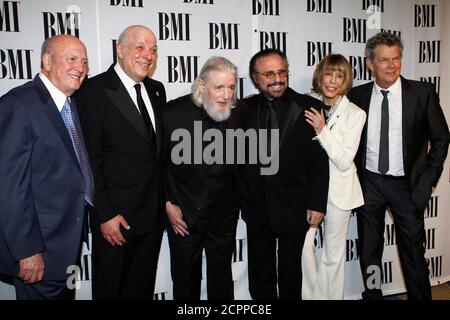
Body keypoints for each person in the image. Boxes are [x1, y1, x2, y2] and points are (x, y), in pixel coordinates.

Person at [348, 32, 450, 300]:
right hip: (369, 183)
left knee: (414, 253)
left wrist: (429, 178)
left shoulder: (422, 93)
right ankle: (373, 297)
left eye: (396, 58)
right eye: (384, 60)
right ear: (370, 63)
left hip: (407, 186)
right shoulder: (356, 95)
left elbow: (441, 137)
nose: (392, 65)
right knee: (369, 251)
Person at [77, 25, 166, 299]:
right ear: (120, 49)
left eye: (152, 49)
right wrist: (103, 214)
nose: (147, 55)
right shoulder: (93, 91)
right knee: (111, 291)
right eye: (139, 47)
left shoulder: (156, 90)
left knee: (141, 290)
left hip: (152, 218)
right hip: (116, 220)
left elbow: (158, 152)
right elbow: (89, 159)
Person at [0, 35, 92, 299]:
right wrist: (26, 251)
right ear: (47, 61)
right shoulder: (19, 104)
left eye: (85, 61)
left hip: (64, 247)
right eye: (72, 59)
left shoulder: (67, 104)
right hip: (37, 252)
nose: (81, 67)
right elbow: (9, 187)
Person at [240, 48, 329, 300]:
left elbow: (319, 162)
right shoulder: (244, 109)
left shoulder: (311, 107)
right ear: (255, 78)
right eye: (269, 74)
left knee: (291, 271)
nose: (277, 78)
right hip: (256, 205)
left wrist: (317, 202)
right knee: (260, 271)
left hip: (295, 205)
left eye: (281, 72)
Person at [162, 56, 243, 300]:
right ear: (201, 85)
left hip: (225, 208)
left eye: (231, 87)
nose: (226, 94)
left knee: (221, 274)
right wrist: (167, 203)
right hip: (184, 208)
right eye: (219, 87)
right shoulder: (171, 114)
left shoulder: (240, 113)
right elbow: (156, 165)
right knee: (186, 276)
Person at [301, 54, 366, 300]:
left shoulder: (356, 114)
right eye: (329, 73)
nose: (333, 81)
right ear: (320, 75)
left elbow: (343, 159)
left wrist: (322, 130)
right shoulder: (306, 103)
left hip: (340, 192)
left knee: (333, 255)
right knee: (305, 247)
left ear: (346, 80)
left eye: (340, 75)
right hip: (309, 191)